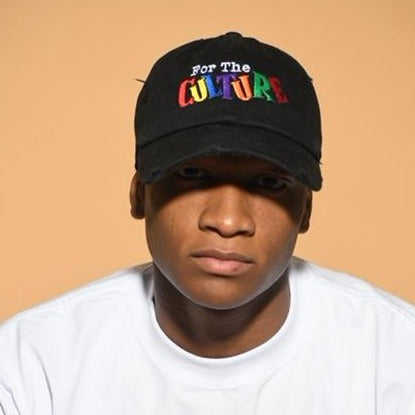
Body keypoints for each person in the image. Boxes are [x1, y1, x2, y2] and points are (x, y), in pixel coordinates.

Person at [0, 32, 414, 415]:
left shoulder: (397, 357)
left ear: (306, 210)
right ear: (139, 194)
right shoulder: (31, 365)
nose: (228, 220)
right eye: (192, 174)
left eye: (269, 183)